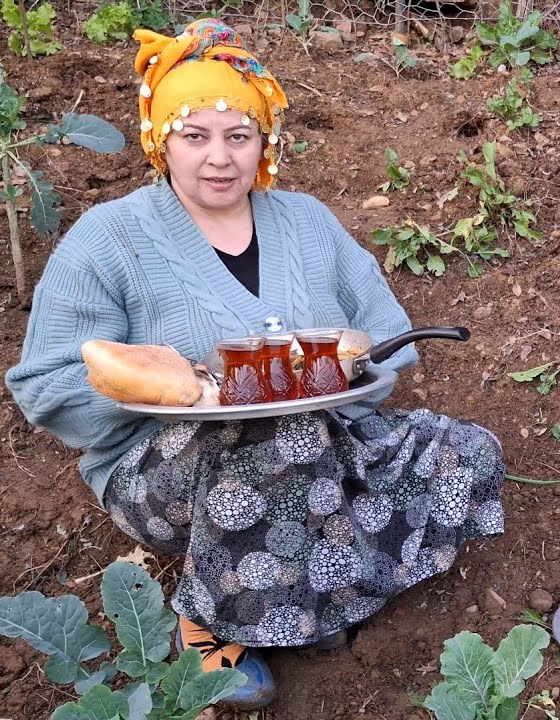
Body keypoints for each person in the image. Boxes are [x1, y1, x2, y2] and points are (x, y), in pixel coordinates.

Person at [5, 21, 505, 711]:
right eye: (195, 136)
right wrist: (180, 394)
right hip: (166, 468)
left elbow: (384, 336)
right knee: (281, 437)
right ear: (160, 140)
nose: (220, 158)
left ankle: (303, 594)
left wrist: (337, 382)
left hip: (320, 439)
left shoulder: (307, 222)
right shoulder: (108, 239)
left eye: (238, 135)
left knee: (465, 454)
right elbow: (45, 383)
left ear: (264, 141)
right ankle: (209, 620)